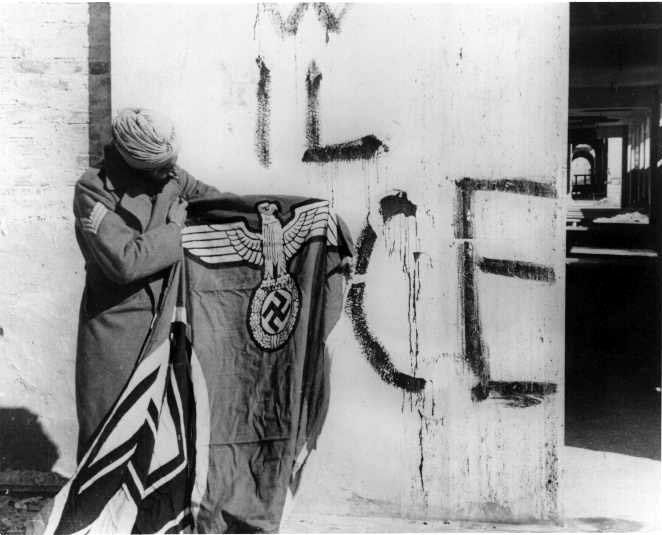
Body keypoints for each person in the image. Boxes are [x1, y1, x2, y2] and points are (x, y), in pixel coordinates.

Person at [73, 108, 220, 459]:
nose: (172, 170)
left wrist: (284, 214)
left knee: (163, 434)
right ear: (134, 162)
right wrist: (177, 231)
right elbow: (125, 261)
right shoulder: (93, 191)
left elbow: (218, 203)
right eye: (161, 165)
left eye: (173, 162)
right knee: (108, 432)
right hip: (117, 329)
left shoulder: (169, 174)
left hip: (168, 321)